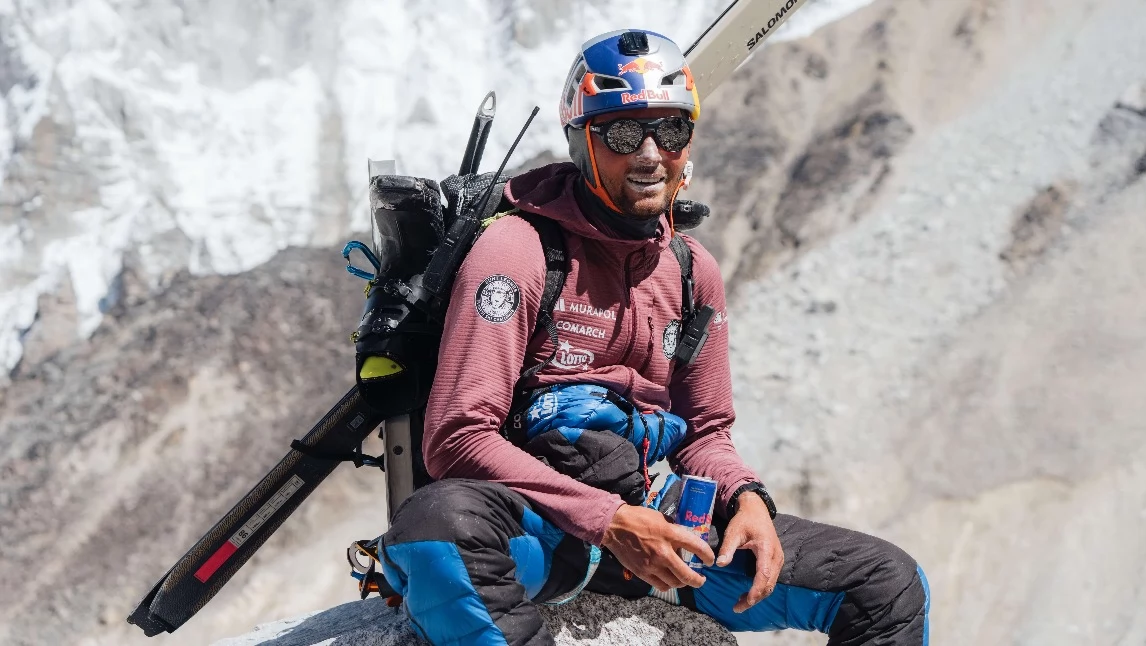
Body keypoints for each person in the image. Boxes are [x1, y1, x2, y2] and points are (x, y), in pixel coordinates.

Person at [378, 29, 929, 645]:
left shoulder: (694, 272)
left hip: (658, 526)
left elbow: (706, 431)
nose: (649, 154)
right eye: (620, 132)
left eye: (669, 131)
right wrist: (607, 520)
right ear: (581, 141)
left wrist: (747, 498)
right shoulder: (517, 251)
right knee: (435, 533)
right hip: (541, 529)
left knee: (889, 585)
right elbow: (457, 437)